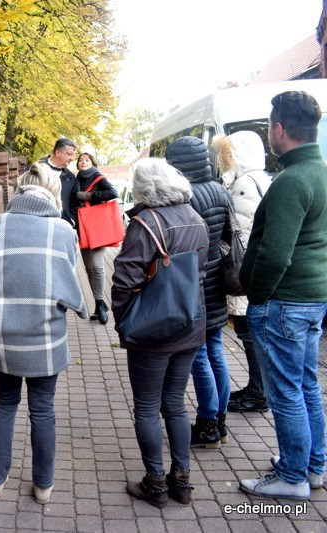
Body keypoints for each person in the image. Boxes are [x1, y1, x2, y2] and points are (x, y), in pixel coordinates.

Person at [239, 91, 327, 500]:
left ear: (278, 129)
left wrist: (257, 296)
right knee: (306, 385)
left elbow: (275, 254)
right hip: (311, 299)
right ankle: (313, 466)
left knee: (287, 391)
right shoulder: (320, 172)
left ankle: (292, 476)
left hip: (286, 302)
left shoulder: (292, 181)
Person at [0, 164, 87, 505]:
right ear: (53, 191)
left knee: (4, 404)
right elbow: (67, 276)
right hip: (46, 333)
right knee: (42, 410)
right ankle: (43, 486)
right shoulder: (64, 230)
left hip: (1, 332)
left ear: (19, 189)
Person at [112, 158, 208, 508]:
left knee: (147, 408)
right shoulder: (195, 217)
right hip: (190, 321)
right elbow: (202, 268)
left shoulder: (146, 222)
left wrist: (125, 321)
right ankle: (181, 480)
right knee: (176, 404)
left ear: (143, 187)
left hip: (153, 328)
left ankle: (155, 483)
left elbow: (125, 279)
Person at [166, 136, 233, 449]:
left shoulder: (186, 196)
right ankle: (220, 420)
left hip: (195, 281)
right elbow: (228, 235)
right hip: (218, 278)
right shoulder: (220, 190)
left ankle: (207, 424)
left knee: (200, 355)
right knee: (216, 350)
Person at [211, 131, 271, 413]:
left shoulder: (245, 184)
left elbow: (241, 233)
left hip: (244, 270)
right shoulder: (261, 178)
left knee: (249, 333)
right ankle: (256, 388)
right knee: (252, 333)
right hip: (254, 268)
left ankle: (259, 394)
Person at [74, 152, 118, 324]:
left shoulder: (98, 177)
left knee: (97, 266)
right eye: (81, 160)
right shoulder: (76, 179)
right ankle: (99, 304)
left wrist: (89, 196)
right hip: (82, 226)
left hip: (97, 225)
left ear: (92, 162)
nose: (83, 162)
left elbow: (112, 193)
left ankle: (100, 304)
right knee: (89, 268)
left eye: (87, 159)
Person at [36, 137, 78, 226]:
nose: (72, 158)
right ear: (58, 153)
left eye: (73, 155)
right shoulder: (36, 171)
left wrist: (71, 219)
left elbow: (73, 202)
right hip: (39, 223)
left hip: (62, 225)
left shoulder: (70, 177)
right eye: (69, 154)